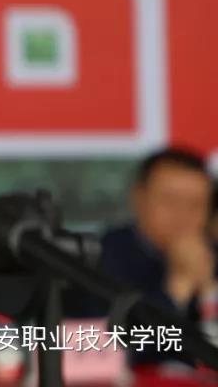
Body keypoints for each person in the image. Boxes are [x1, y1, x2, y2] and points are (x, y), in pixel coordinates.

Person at [98, 147, 217, 369]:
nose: (182, 215)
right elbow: (107, 349)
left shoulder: (212, 254)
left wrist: (210, 291)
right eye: (170, 201)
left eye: (195, 205)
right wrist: (178, 287)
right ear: (138, 198)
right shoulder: (104, 255)